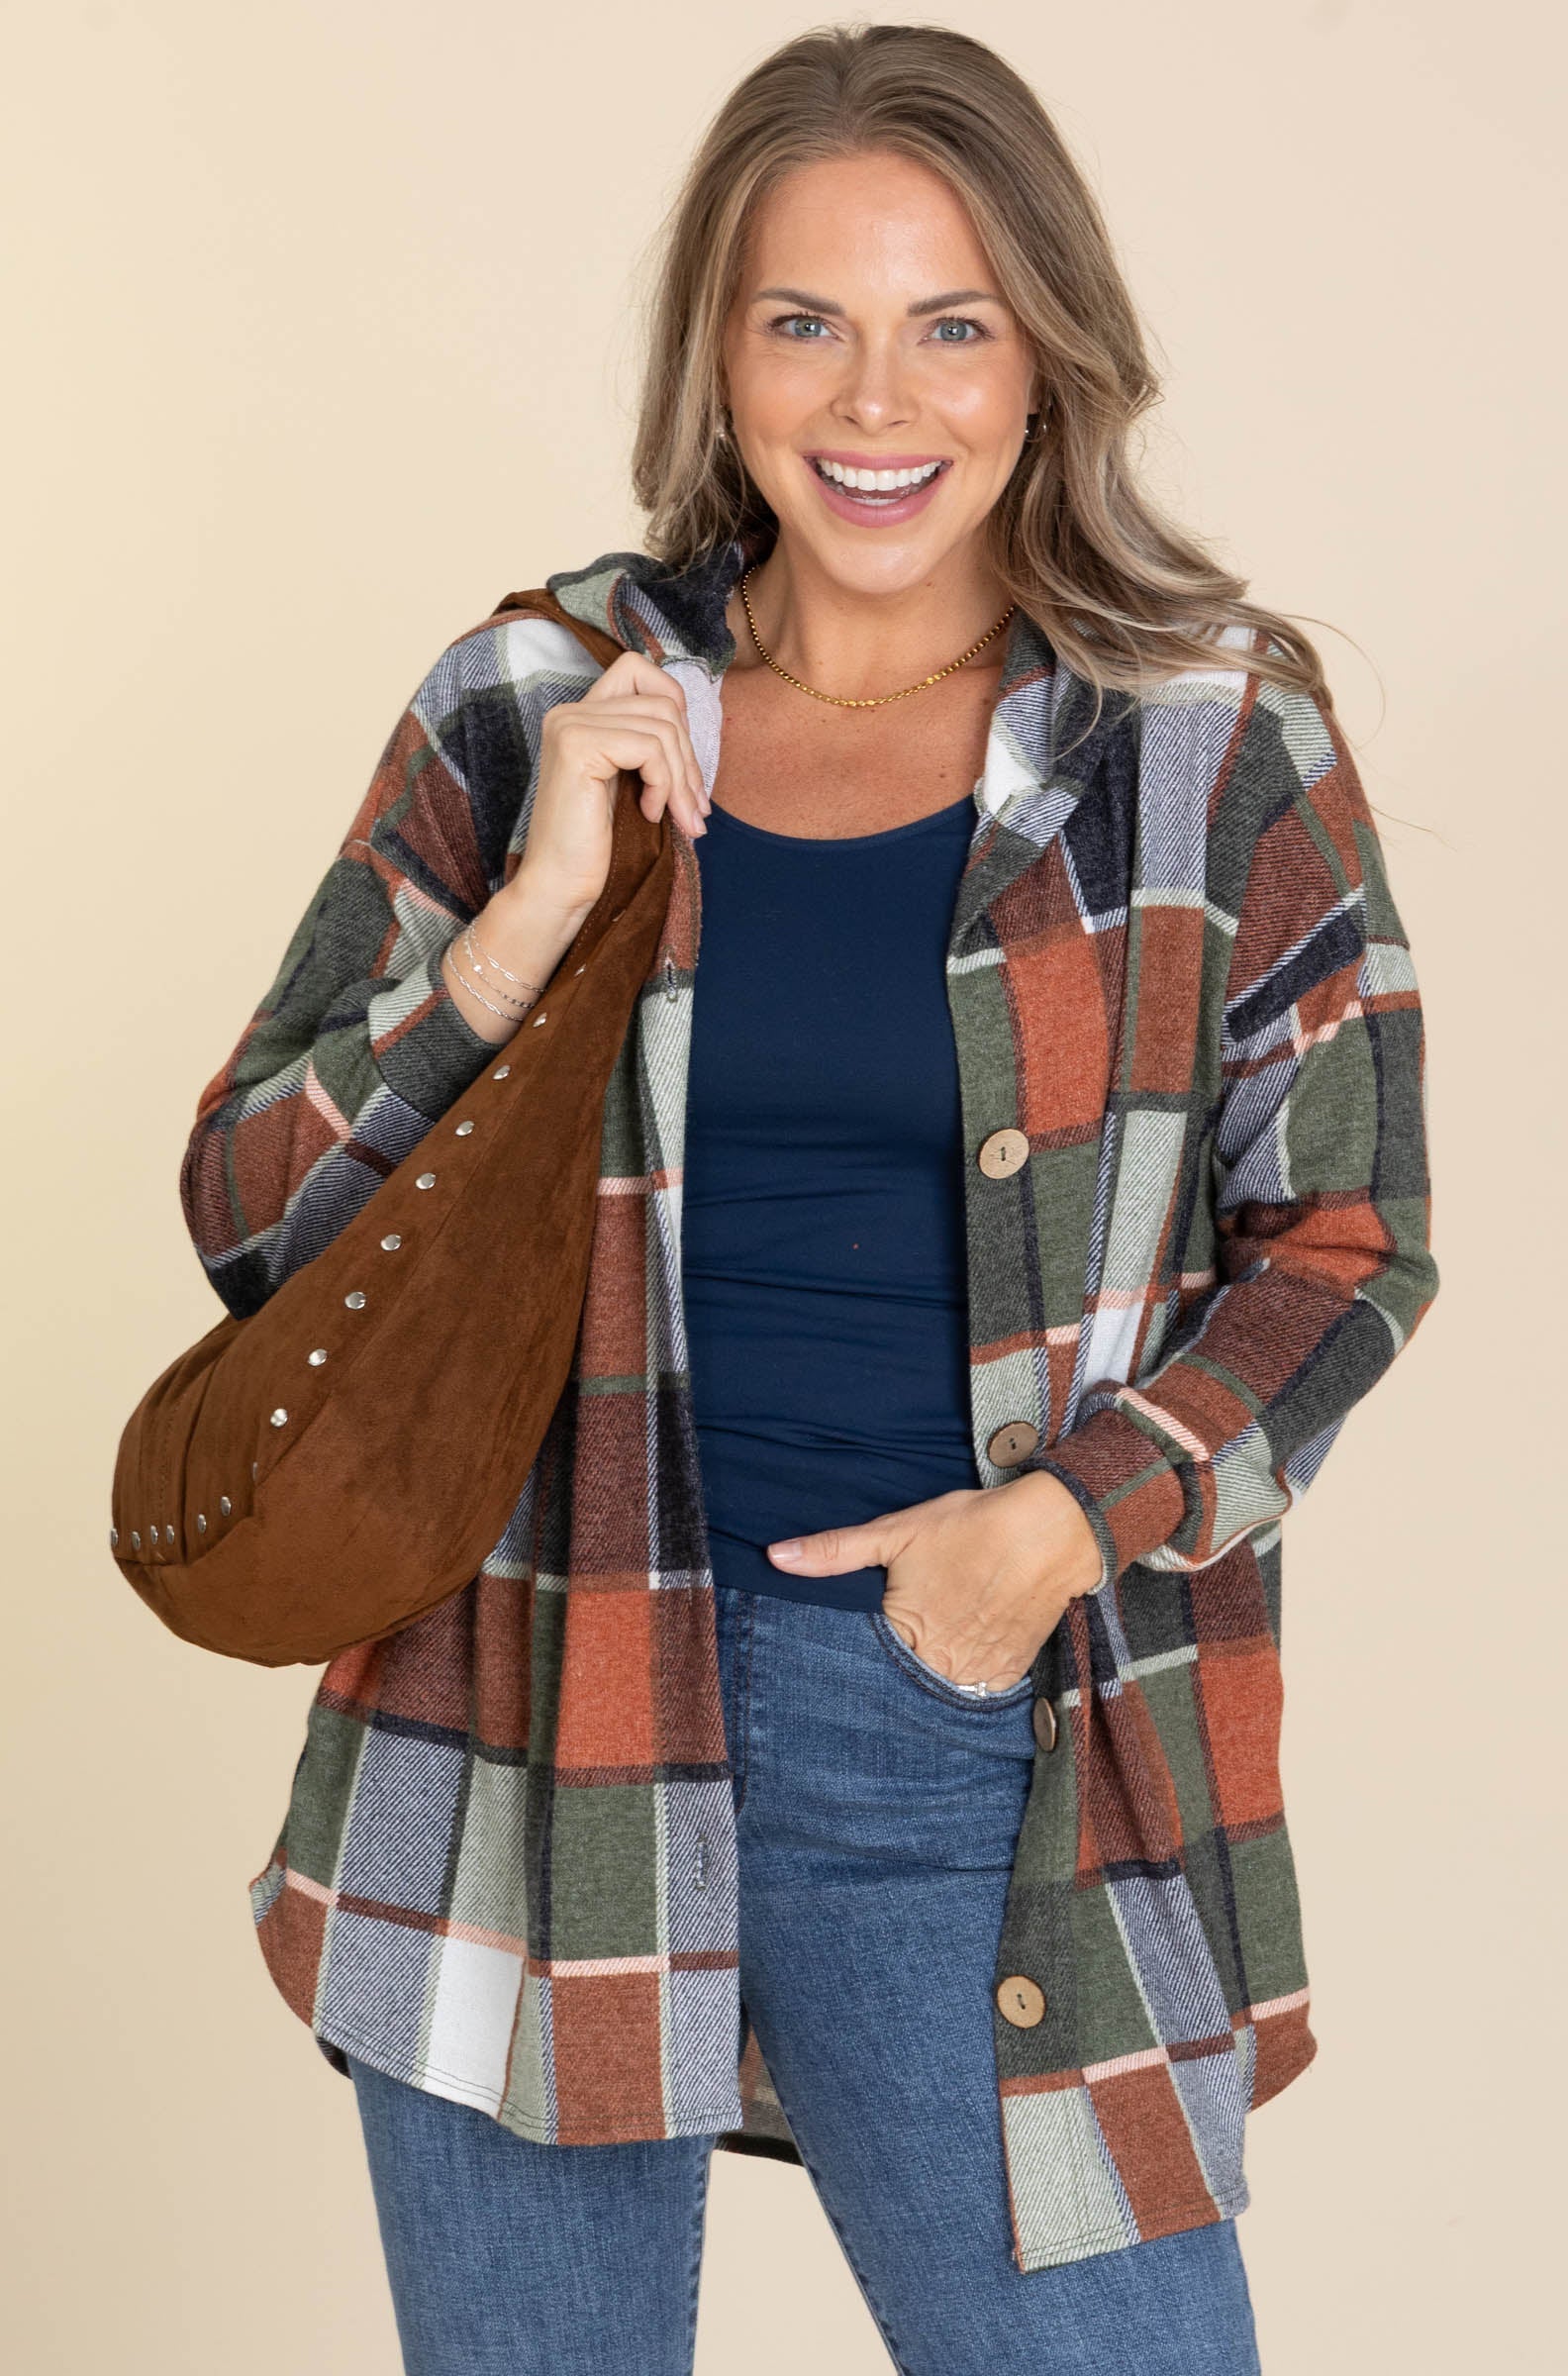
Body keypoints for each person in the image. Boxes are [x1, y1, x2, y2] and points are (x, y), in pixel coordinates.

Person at [181, 23, 1439, 2376]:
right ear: (720, 355)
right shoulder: (530, 697)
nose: (877, 399)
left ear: (1046, 355)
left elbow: (1351, 1242)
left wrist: (1053, 1531)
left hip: (964, 1716)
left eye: (949, 323)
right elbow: (254, 1213)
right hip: (524, 1707)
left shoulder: (1201, 740)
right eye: (804, 322)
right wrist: (518, 929)